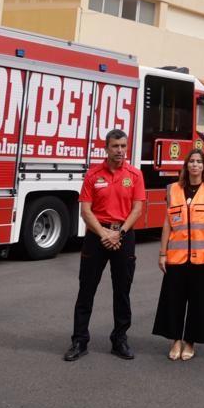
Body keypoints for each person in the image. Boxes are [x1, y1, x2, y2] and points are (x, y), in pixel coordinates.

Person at [64, 128, 145, 362]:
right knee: (86, 290)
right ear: (106, 148)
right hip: (96, 237)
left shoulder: (135, 175)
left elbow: (137, 208)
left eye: (123, 146)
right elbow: (85, 211)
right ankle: (79, 340)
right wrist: (104, 234)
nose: (120, 151)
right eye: (115, 147)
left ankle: (119, 340)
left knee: (122, 291)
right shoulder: (92, 174)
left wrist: (118, 233)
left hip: (124, 235)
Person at [153, 149, 204, 361]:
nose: (194, 165)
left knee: (198, 301)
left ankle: (190, 341)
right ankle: (175, 340)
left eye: (198, 162)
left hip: (202, 257)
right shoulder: (173, 189)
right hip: (176, 257)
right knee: (173, 300)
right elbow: (167, 223)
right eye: (191, 161)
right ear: (186, 165)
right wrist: (162, 253)